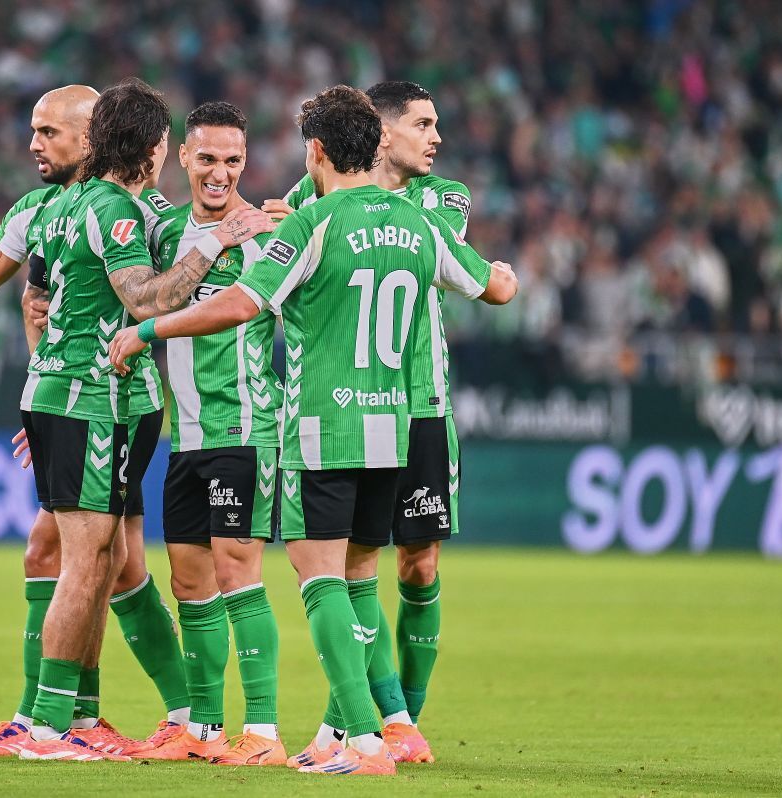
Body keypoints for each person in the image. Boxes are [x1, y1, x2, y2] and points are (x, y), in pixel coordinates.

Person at [111, 84, 504, 777]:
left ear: (316, 151)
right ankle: (345, 731)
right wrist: (501, 272)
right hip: (395, 426)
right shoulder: (419, 225)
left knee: (316, 575)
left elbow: (239, 303)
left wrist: (147, 328)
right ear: (375, 145)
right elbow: (494, 288)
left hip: (323, 427)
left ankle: (364, 739)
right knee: (358, 579)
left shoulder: (311, 223)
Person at [14, 77, 270, 762]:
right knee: (87, 558)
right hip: (94, 403)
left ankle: (175, 713)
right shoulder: (114, 211)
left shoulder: (69, 204)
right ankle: (48, 725)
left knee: (118, 559)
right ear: (161, 149)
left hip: (98, 403)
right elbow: (147, 301)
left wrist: (46, 378)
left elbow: (38, 296)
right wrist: (213, 248)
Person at [264, 80, 518, 764]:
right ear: (379, 131)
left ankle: (379, 721)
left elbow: (445, 260)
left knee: (415, 562)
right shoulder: (310, 195)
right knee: (352, 568)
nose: (436, 137)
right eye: (424, 124)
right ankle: (383, 725)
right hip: (352, 403)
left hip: (422, 402)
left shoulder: (444, 199)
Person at [0, 84, 188, 759]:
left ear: (90, 138)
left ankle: (80, 717)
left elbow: (154, 295)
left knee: (104, 558)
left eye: (50, 132)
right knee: (87, 556)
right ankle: (71, 718)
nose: (34, 144)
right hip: (71, 401)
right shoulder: (37, 210)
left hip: (116, 403)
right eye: (33, 130)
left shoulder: (138, 208)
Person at [128, 102, 284, 765]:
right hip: (185, 435)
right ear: (184, 158)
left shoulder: (266, 235)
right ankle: (204, 730)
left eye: (233, 161)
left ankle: (266, 734)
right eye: (208, 158)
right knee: (189, 580)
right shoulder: (165, 233)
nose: (220, 173)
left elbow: (235, 310)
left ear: (244, 164)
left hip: (244, 427)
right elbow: (143, 294)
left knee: (237, 569)